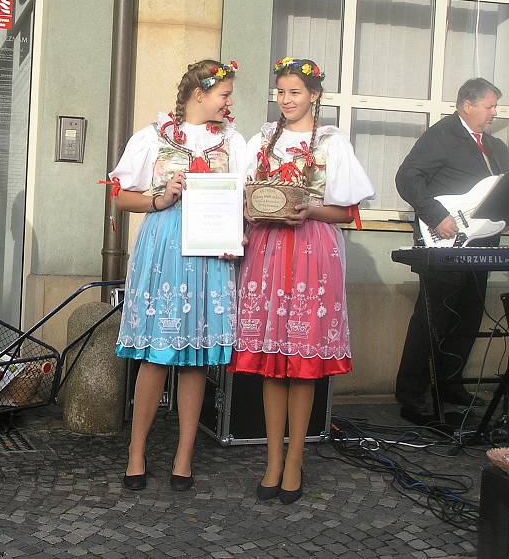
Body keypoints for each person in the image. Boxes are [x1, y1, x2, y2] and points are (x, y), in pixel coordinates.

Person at [230, 57, 374, 504]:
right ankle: (272, 460)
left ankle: (295, 461)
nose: (286, 100)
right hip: (268, 251)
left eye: (294, 92)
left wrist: (310, 209)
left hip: (313, 252)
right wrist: (247, 210)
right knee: (272, 362)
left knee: (302, 362)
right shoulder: (260, 141)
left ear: (314, 95)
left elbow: (347, 211)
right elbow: (241, 195)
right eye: (281, 92)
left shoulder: (333, 143)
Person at [108, 60, 247, 491]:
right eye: (223, 94)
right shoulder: (154, 136)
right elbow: (120, 196)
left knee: (196, 359)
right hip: (165, 246)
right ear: (199, 94)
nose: (229, 102)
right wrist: (159, 197)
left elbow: (244, 197)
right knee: (156, 355)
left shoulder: (234, 141)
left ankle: (184, 455)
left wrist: (237, 231)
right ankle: (136, 453)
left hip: (210, 250)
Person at [395, 78, 509, 421]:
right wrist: (436, 216)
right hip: (446, 241)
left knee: (469, 315)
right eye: (489, 106)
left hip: (482, 243)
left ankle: (449, 384)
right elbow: (407, 177)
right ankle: (411, 394)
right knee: (433, 319)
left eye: (494, 106)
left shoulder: (496, 147)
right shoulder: (443, 135)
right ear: (467, 105)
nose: (493, 113)